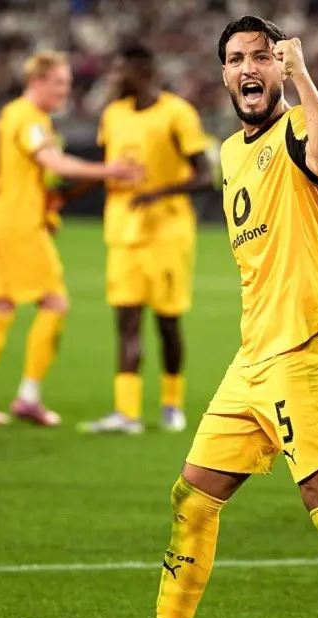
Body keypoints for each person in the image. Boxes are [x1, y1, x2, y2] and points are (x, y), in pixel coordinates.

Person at [73, 16, 318, 618]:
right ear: (223, 74)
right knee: (192, 496)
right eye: (237, 58)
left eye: (262, 57)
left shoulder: (299, 126)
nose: (249, 68)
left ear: (278, 68)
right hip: (253, 358)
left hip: (305, 351)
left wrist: (304, 80)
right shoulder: (232, 151)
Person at [0, 50, 141, 426]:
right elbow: (53, 162)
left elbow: (32, 173)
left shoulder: (10, 116)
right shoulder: (29, 118)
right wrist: (112, 170)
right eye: (59, 82)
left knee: (1, 307)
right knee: (55, 303)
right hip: (16, 224)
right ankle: (28, 396)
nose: (65, 90)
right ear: (36, 80)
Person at [78, 45, 213, 435]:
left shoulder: (177, 113)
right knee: (125, 320)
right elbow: (110, 168)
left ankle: (172, 405)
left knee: (167, 323)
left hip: (167, 233)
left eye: (122, 70)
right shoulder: (113, 114)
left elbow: (204, 174)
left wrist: (158, 193)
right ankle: (127, 412)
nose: (115, 77)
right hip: (122, 232)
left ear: (144, 70)